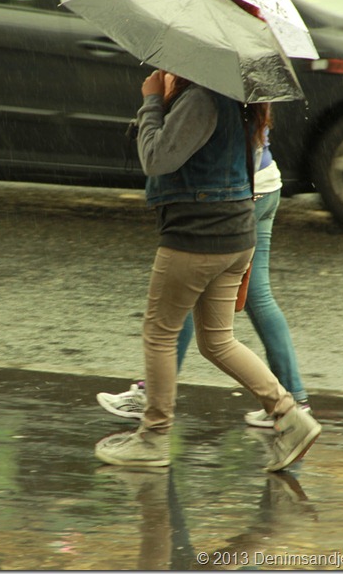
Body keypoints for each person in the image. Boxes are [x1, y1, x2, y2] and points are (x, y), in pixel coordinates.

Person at [94, 70, 321, 471]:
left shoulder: (202, 96)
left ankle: (153, 438)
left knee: (160, 333)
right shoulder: (236, 96)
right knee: (217, 342)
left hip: (196, 235)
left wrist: (150, 101)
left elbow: (157, 159)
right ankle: (290, 415)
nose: (160, 69)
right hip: (234, 232)